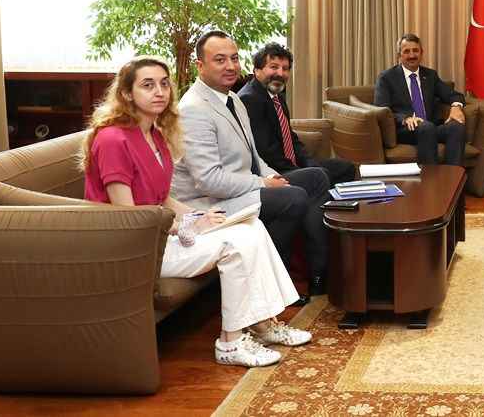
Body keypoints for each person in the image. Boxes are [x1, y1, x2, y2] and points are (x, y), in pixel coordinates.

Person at [82, 56, 312, 367]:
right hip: (134, 248)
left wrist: (197, 217)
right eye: (147, 85)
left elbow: (163, 198)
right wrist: (184, 226)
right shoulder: (113, 139)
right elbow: (129, 216)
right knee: (235, 245)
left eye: (164, 84)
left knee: (252, 227)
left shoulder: (154, 134)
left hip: (158, 235)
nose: (159, 92)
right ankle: (231, 343)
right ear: (126, 93)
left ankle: (263, 325)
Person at [171, 30, 332, 300]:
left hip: (240, 188)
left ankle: (319, 274)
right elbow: (209, 181)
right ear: (200, 65)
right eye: (220, 60)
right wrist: (263, 183)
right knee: (292, 198)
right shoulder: (193, 109)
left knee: (316, 178)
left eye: (234, 58)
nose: (231, 66)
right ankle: (269, 285)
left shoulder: (233, 99)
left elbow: (254, 157)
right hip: (210, 203)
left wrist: (275, 177)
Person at [239, 42, 356, 185]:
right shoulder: (250, 99)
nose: (280, 74)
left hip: (289, 165)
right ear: (257, 70)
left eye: (285, 69)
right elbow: (266, 152)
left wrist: (310, 163)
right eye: (274, 67)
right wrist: (300, 170)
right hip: (272, 174)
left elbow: (291, 138)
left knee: (345, 167)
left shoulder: (276, 96)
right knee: (319, 175)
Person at [374, 33, 467, 165]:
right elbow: (381, 110)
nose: (412, 55)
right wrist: (405, 118)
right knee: (426, 128)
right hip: (405, 129)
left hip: (431, 127)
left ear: (422, 53)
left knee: (456, 128)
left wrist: (456, 107)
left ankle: (453, 175)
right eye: (406, 51)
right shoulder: (386, 78)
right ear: (399, 56)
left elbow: (454, 95)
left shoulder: (430, 75)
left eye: (415, 50)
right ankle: (430, 176)